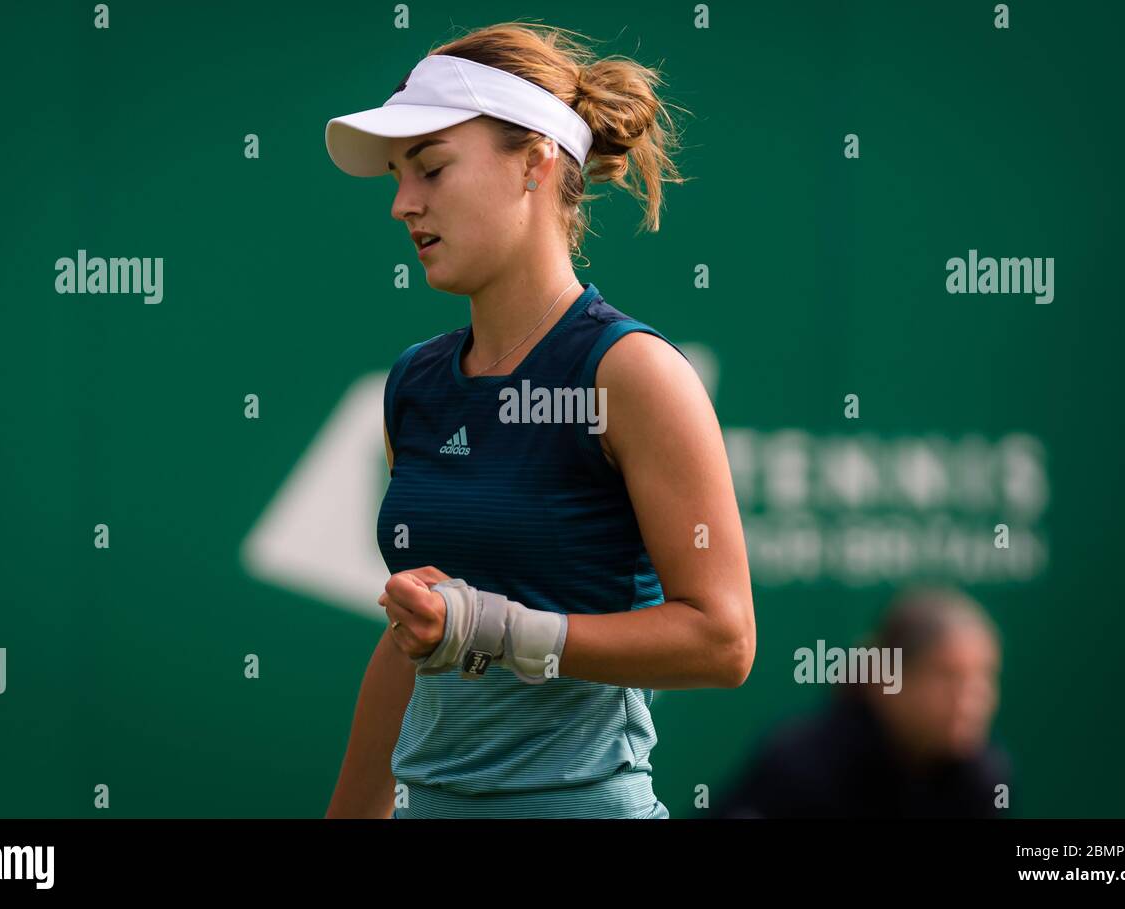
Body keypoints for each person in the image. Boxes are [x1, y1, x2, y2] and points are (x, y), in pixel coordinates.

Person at [319, 22, 755, 819]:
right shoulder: (414, 383)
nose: (401, 203)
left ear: (533, 162)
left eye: (432, 168)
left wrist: (503, 629)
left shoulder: (634, 374)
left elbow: (723, 640)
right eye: (396, 175)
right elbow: (415, 644)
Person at [715, 586, 1009, 818]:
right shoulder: (799, 767)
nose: (971, 698)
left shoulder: (983, 782)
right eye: (947, 676)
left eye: (984, 677)